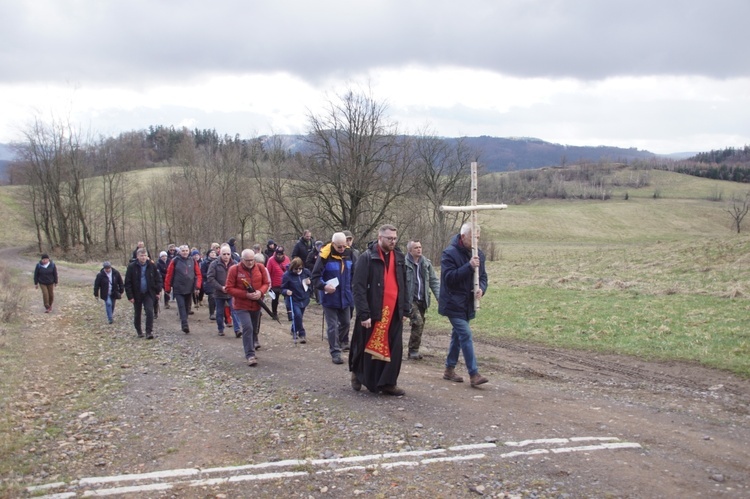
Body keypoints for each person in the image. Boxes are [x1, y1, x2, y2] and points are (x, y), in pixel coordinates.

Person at [350, 224, 409, 396]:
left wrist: (405, 308)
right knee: (366, 347)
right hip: (373, 311)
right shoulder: (367, 258)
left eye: (395, 238)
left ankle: (388, 382)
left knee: (394, 348)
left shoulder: (399, 257)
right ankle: (359, 374)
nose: (393, 241)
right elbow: (358, 287)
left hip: (394, 312)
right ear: (380, 237)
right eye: (389, 238)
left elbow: (404, 283)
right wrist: (364, 313)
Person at [438, 222, 489, 387]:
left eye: (478, 238)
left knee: (457, 336)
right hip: (453, 303)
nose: (476, 241)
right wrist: (469, 266)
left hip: (467, 304)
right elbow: (449, 279)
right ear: (463, 237)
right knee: (465, 334)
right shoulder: (449, 253)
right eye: (473, 238)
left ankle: (449, 369)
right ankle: (474, 374)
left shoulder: (479, 254)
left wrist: (481, 289)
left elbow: (483, 277)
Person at [311, 232, 354, 364]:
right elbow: (315, 277)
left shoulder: (350, 254)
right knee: (332, 326)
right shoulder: (324, 255)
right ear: (333, 244)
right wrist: (324, 287)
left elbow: (355, 273)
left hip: (346, 296)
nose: (342, 249)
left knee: (346, 323)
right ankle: (335, 351)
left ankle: (339, 342)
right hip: (330, 297)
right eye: (339, 247)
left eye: (344, 246)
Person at [226, 249, 270, 366]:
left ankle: (253, 344)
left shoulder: (260, 268)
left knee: (254, 329)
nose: (250, 263)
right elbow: (229, 288)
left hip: (256, 304)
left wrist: (260, 292)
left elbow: (266, 283)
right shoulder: (234, 270)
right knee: (247, 327)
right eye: (247, 260)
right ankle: (250, 355)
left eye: (252, 260)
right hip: (241, 305)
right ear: (242, 260)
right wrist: (246, 294)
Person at [404, 240, 441, 360]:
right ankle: (412, 350)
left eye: (420, 247)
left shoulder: (426, 263)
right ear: (410, 250)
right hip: (409, 300)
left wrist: (440, 297)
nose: (419, 249)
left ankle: (412, 350)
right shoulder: (403, 264)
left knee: (420, 324)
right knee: (418, 322)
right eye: (416, 248)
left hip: (422, 299)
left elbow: (434, 281)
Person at [124, 248, 163, 339]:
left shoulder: (152, 266)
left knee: (149, 311)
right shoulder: (132, 267)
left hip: (149, 292)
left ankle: (149, 332)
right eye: (141, 256)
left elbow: (158, 279)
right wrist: (130, 296)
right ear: (137, 256)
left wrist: (158, 291)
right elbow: (127, 282)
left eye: (145, 255)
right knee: (138, 313)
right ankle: (139, 331)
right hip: (136, 293)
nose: (143, 257)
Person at [164, 245, 202, 334]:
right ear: (180, 252)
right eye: (183, 251)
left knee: (186, 307)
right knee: (181, 306)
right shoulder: (175, 261)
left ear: (189, 251)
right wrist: (167, 288)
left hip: (189, 288)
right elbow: (169, 275)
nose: (185, 252)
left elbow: (198, 274)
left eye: (186, 250)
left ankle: (185, 319)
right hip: (178, 288)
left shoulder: (193, 261)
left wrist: (197, 286)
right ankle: (184, 324)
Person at [207, 244, 239, 337]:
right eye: (224, 254)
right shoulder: (214, 264)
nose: (226, 256)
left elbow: (239, 278)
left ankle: (237, 329)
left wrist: (233, 288)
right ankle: (220, 329)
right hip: (219, 292)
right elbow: (210, 278)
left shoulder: (235, 264)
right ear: (220, 254)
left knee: (235, 311)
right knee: (220, 312)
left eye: (228, 254)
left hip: (231, 292)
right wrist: (220, 287)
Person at [281, 257, 312, 343]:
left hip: (304, 298)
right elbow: (282, 288)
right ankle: (302, 334)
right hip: (294, 299)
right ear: (292, 267)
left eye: (300, 268)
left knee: (299, 316)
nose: (298, 270)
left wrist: (310, 283)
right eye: (296, 269)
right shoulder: (287, 275)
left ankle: (293, 330)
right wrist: (286, 291)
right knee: (298, 315)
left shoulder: (306, 272)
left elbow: (312, 282)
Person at [266, 245, 290, 320]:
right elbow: (268, 272)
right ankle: (274, 313)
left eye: (281, 254)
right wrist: (269, 284)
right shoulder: (271, 260)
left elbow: (289, 270)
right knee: (275, 299)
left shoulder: (287, 259)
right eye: (278, 254)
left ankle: (290, 313)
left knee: (288, 298)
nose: (279, 256)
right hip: (275, 283)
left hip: (285, 283)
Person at [201, 249, 218, 320]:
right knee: (211, 296)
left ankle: (219, 312)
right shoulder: (205, 262)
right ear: (208, 254)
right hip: (208, 281)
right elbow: (202, 272)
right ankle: (211, 313)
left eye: (214, 252)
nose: (213, 254)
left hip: (218, 281)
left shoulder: (219, 261)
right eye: (212, 252)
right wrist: (210, 275)